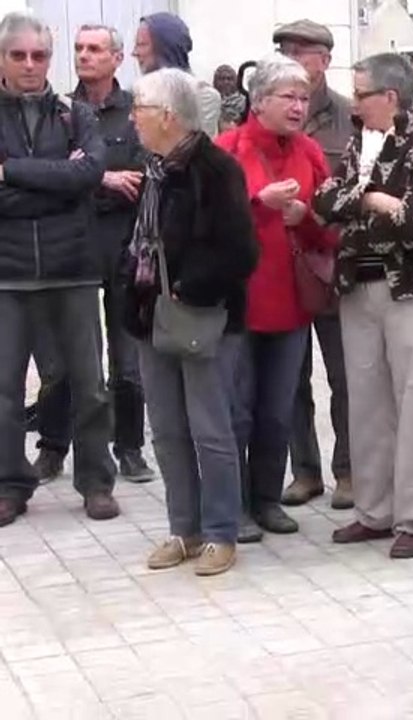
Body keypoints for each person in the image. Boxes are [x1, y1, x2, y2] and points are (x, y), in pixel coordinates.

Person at [312, 52, 413, 561]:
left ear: (389, 98)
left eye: (361, 93)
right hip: (359, 287)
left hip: (411, 289)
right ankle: (375, 511)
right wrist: (373, 199)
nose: (354, 103)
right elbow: (324, 201)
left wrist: (359, 203)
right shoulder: (358, 146)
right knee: (367, 401)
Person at [125, 68, 258, 576]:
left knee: (210, 429)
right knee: (167, 430)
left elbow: (240, 251)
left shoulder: (215, 169)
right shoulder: (154, 169)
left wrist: (187, 286)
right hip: (148, 315)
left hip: (202, 316)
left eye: (140, 108)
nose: (133, 117)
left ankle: (221, 532)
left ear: (168, 117)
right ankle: (184, 528)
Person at [24, 23, 156, 484]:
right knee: (64, 362)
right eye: (79, 48)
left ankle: (130, 448)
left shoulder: (136, 112)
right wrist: (98, 178)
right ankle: (54, 447)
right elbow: (51, 172)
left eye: (95, 49)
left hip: (123, 245)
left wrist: (82, 174)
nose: (84, 56)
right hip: (73, 247)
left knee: (128, 359)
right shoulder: (61, 111)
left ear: (117, 58)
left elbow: (144, 176)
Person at [0, 10, 117, 526]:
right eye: (19, 55)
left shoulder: (75, 113)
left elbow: (90, 173)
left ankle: (95, 481)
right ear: (2, 58)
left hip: (72, 268)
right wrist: (57, 182)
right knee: (4, 390)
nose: (30, 65)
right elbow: (69, 182)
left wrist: (11, 175)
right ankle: (10, 484)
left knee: (90, 384)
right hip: (8, 272)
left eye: (40, 55)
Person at [216, 54, 338, 544]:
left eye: (304, 97)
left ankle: (266, 499)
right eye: (288, 96)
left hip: (292, 304)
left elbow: (331, 230)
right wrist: (254, 204)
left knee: (277, 408)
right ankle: (236, 505)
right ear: (259, 101)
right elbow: (205, 225)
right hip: (239, 303)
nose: (298, 105)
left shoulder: (310, 151)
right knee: (236, 409)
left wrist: (304, 216)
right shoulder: (227, 150)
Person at [273, 18, 357, 512]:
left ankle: (347, 470)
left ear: (324, 60)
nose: (293, 59)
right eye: (286, 51)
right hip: (279, 268)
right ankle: (303, 471)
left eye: (302, 52)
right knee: (289, 377)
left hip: (330, 262)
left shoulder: (350, 118)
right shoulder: (261, 113)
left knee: (344, 376)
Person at [132, 12, 221, 136]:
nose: (135, 52)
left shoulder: (201, 96)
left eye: (142, 45)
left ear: (165, 47)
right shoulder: (137, 94)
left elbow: (197, 150)